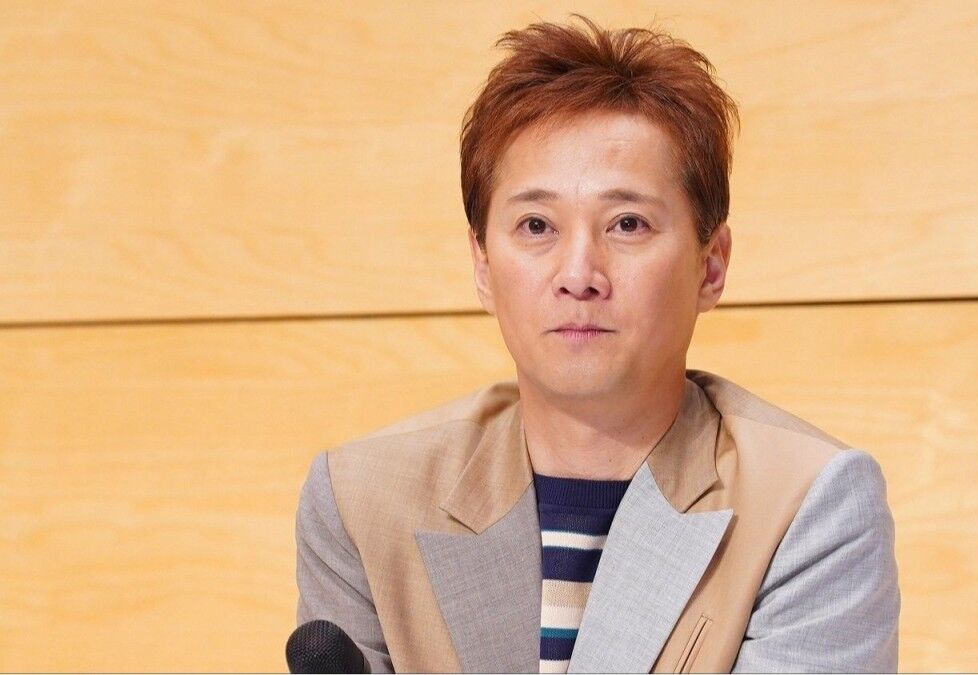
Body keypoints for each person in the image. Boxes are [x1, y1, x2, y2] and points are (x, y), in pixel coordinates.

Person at [295, 13, 899, 673]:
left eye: (628, 223)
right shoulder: (362, 500)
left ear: (711, 265)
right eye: (536, 225)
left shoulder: (806, 504)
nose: (579, 274)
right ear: (482, 265)